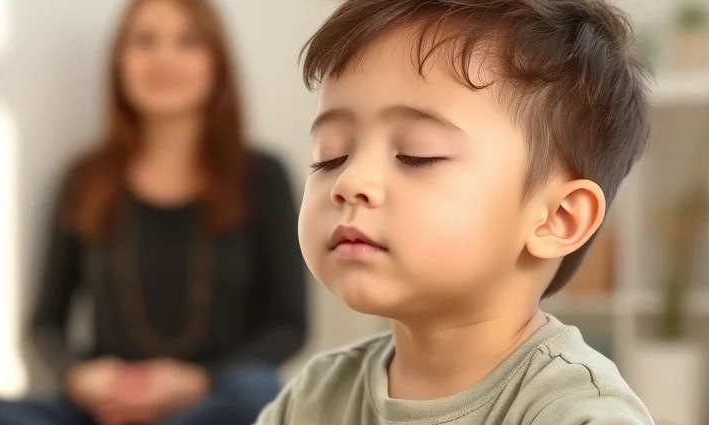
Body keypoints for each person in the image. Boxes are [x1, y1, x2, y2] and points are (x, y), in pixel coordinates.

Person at [256, 0, 654, 424]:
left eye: (415, 155)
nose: (349, 183)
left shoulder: (576, 413)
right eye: (331, 157)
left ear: (558, 218)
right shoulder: (316, 397)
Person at [0, 0, 308, 424]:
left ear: (217, 62)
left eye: (187, 41)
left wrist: (195, 381)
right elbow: (45, 324)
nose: (164, 58)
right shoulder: (85, 179)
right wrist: (78, 378)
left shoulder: (261, 177)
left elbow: (288, 326)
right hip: (104, 411)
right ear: (119, 62)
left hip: (210, 402)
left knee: (256, 390)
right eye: (145, 42)